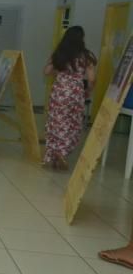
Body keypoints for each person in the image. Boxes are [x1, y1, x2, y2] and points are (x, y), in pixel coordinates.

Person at [43, 26, 97, 170]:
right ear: (82, 39)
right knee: (72, 123)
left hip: (59, 91)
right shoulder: (86, 56)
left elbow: (46, 71)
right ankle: (62, 152)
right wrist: (88, 91)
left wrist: (57, 68)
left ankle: (55, 153)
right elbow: (91, 79)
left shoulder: (60, 53)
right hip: (76, 93)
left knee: (56, 122)